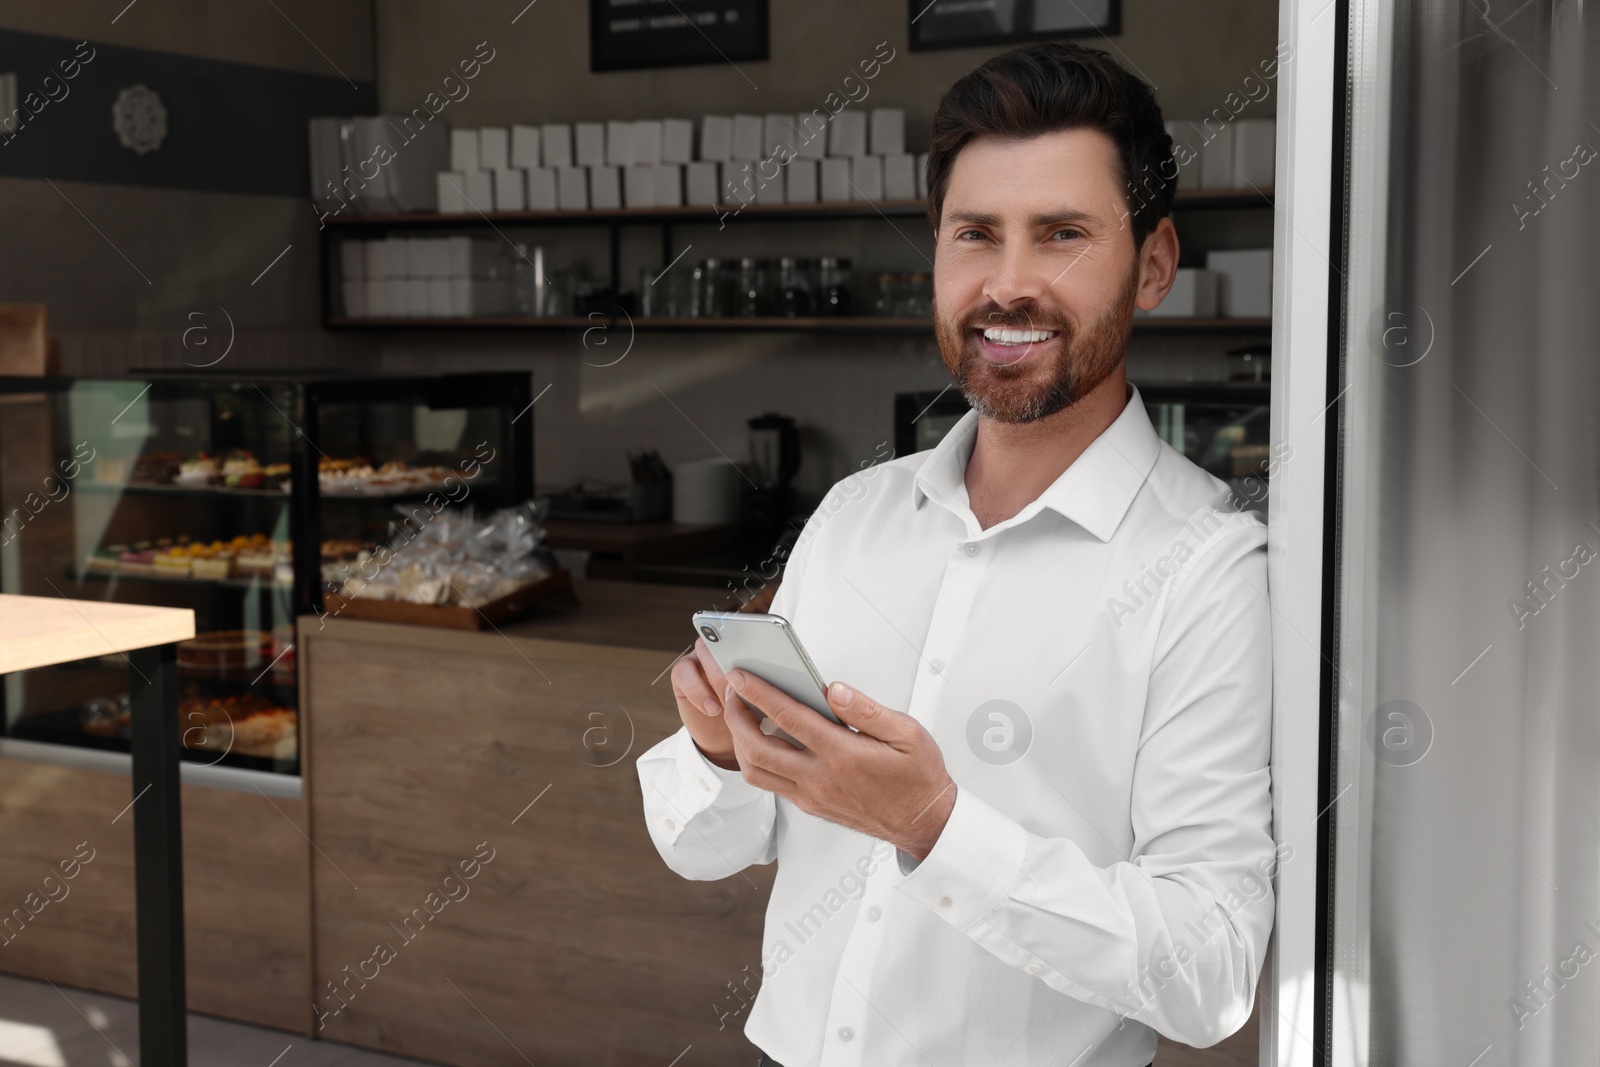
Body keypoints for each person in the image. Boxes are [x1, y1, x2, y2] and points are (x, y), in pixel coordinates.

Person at [637, 40, 1276, 1067]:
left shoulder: (1208, 568)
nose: (1008, 284)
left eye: (1062, 233)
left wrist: (935, 825)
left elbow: (1208, 970)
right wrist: (719, 749)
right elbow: (704, 846)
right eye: (974, 234)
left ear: (1152, 263)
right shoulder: (854, 514)